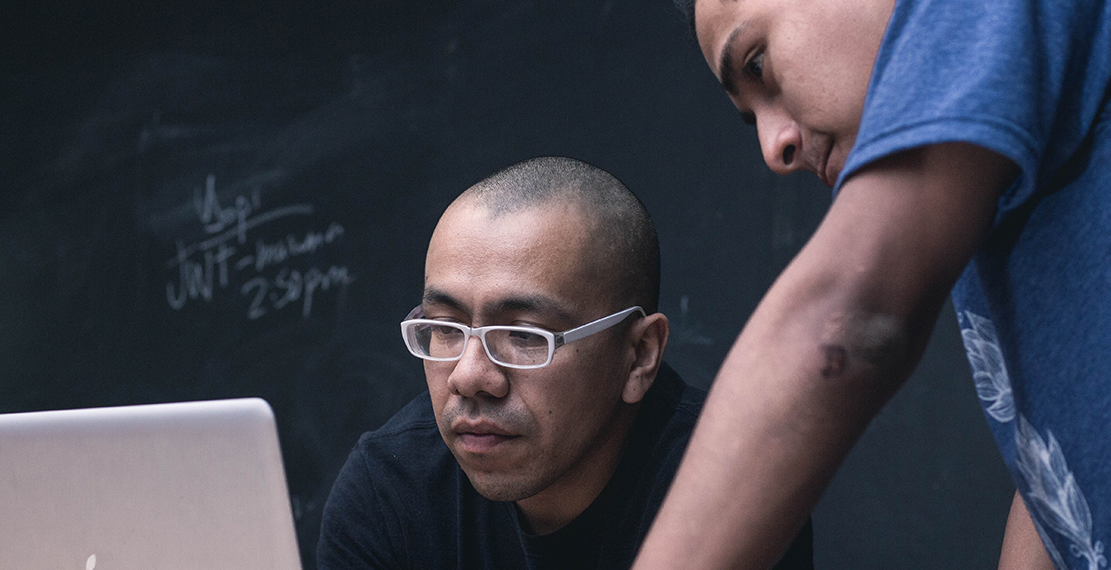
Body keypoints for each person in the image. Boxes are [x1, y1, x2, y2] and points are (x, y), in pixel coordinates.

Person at [632, 0, 1111, 568]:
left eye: (757, 66)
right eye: (751, 117)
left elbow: (847, 322)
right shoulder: (988, 182)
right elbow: (1055, 459)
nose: (775, 148)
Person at [316, 157, 814, 570]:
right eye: (445, 328)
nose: (469, 376)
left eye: (522, 336)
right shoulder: (390, 491)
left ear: (639, 356)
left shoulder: (731, 486)